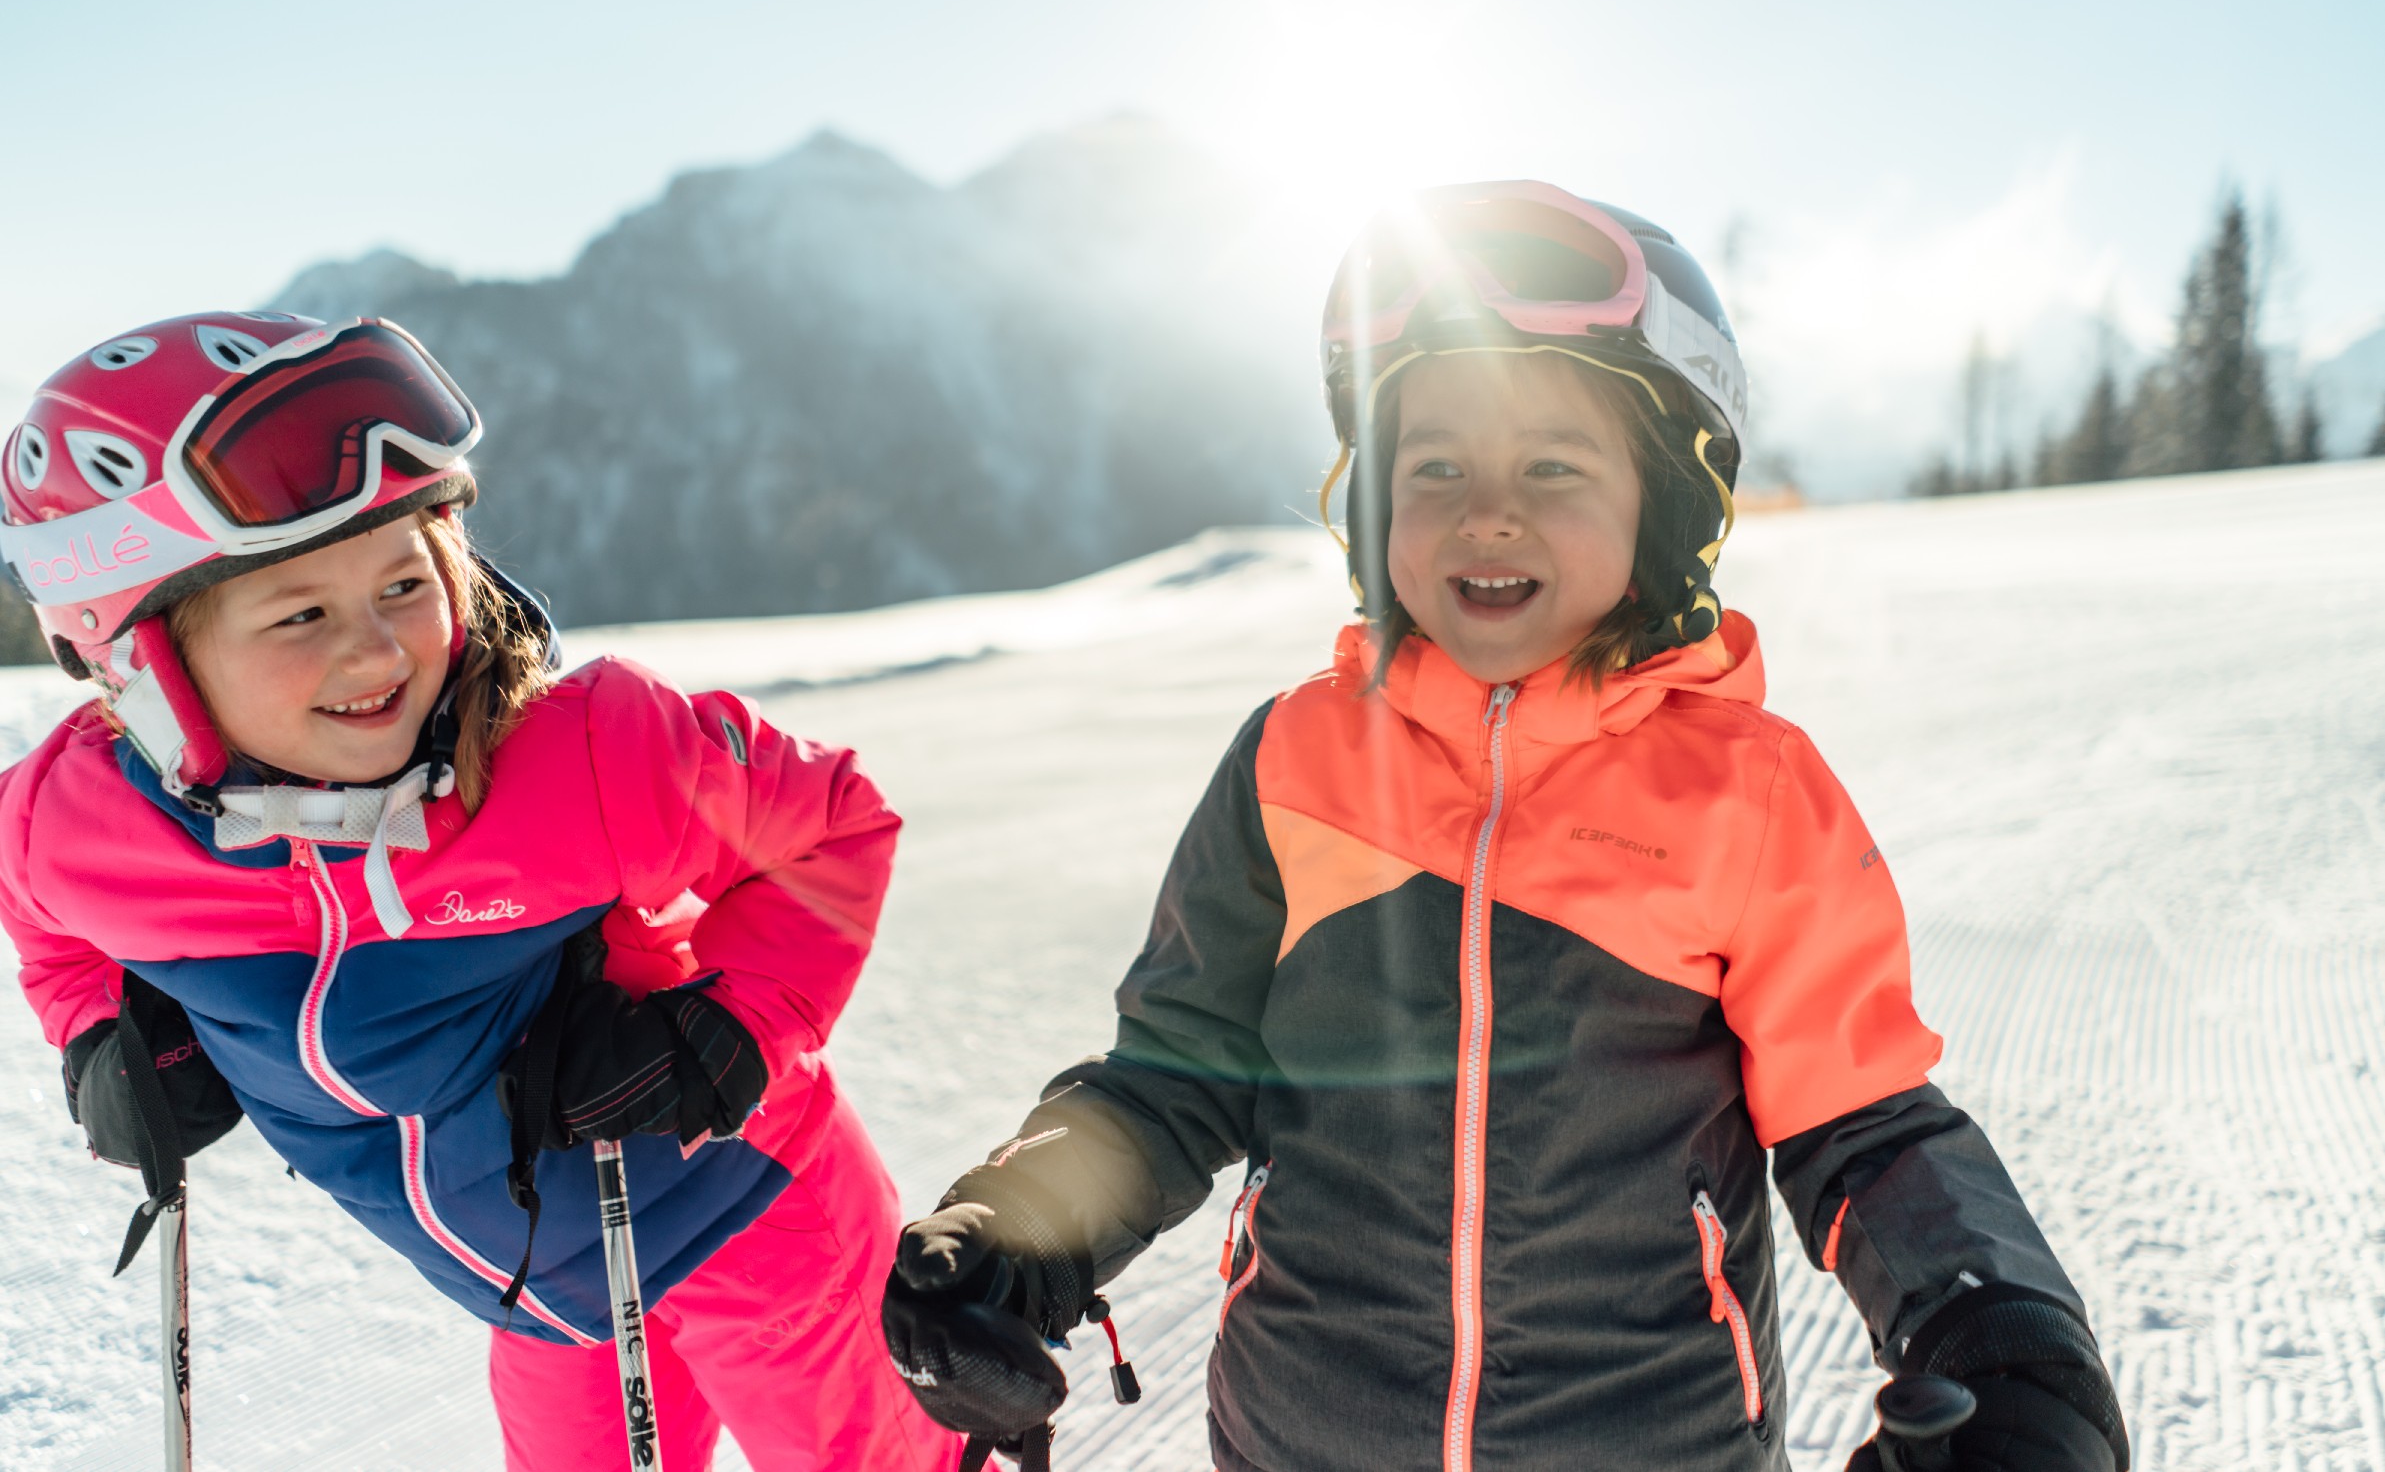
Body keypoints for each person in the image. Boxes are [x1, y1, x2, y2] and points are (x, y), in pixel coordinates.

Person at [880, 184, 2129, 1472]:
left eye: (1552, 463)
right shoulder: (1292, 761)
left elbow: (1864, 1119)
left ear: (1665, 502)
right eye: (1435, 465)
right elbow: (1173, 1076)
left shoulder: (1747, 794)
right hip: (1302, 1439)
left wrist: (2009, 1341)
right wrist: (1008, 1230)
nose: (1488, 509)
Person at [0, 313, 957, 1472]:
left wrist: (733, 1027)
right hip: (541, 1293)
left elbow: (834, 826)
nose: (380, 652)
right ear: (138, 660)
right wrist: (101, 1034)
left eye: (407, 581)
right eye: (301, 612)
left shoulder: (589, 757)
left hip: (745, 1215)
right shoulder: (73, 825)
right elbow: (45, 923)